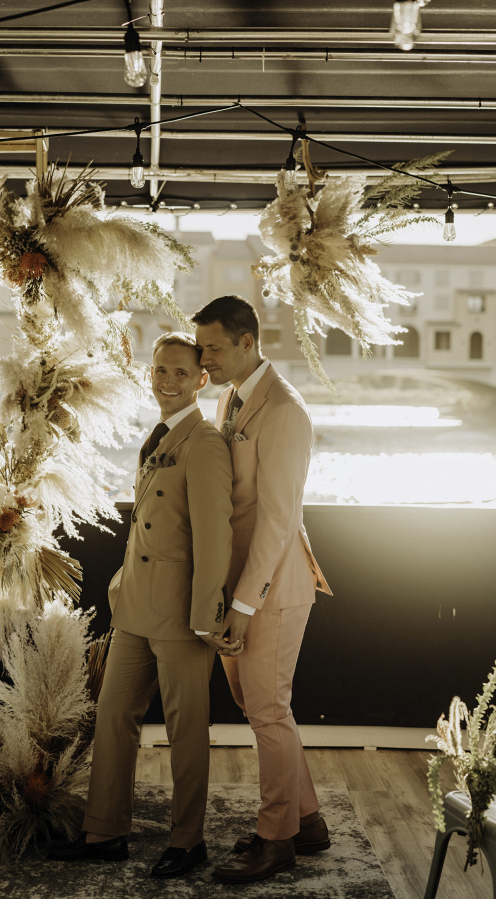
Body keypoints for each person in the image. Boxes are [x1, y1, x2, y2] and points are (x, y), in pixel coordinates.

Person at [49, 331, 234, 878]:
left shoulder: (204, 444)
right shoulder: (158, 435)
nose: (168, 382)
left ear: (202, 379)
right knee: (111, 717)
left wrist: (206, 617)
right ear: (149, 374)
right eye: (160, 371)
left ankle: (188, 840)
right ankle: (105, 832)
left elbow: (214, 538)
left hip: (182, 616)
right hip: (134, 608)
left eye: (181, 373)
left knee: (185, 730)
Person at [192, 295, 333, 885]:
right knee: (259, 706)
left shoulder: (285, 413)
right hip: (239, 585)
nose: (204, 360)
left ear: (247, 342)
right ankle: (308, 819)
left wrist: (244, 605)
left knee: (268, 711)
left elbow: (277, 520)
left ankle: (276, 841)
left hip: (273, 588)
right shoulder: (229, 397)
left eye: (213, 348)